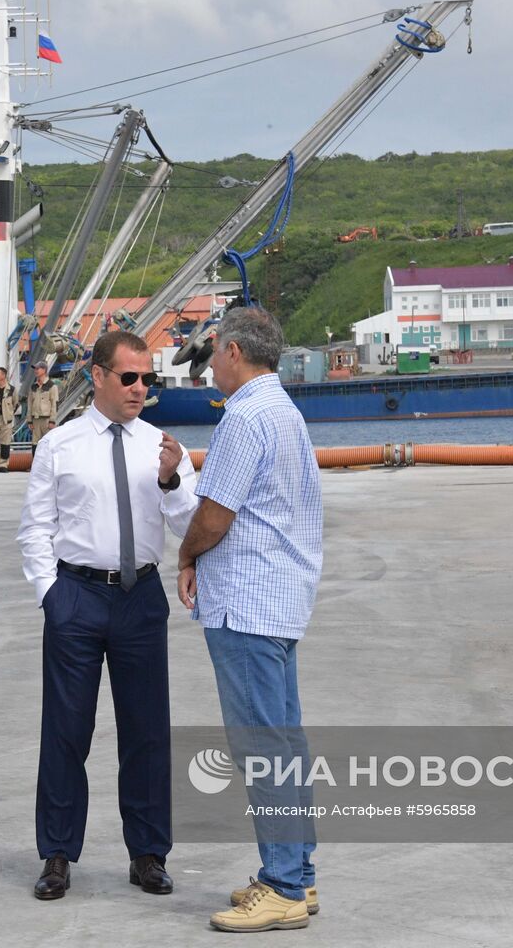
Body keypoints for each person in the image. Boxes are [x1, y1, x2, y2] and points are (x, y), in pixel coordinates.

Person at [17, 330, 197, 902]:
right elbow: (36, 529)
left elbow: (186, 526)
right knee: (67, 731)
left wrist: (170, 480)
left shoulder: (162, 447)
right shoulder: (60, 445)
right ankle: (57, 854)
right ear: (97, 376)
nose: (140, 388)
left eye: (149, 379)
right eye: (129, 377)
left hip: (140, 598)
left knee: (146, 732)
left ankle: (148, 854)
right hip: (78, 596)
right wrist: (53, 595)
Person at [176, 307, 323, 934]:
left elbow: (215, 514)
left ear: (233, 351)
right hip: (282, 600)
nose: (210, 365)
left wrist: (185, 555)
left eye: (213, 353)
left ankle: (285, 885)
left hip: (246, 603)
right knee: (283, 741)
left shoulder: (244, 418)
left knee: (261, 747)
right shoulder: (284, 412)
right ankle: (297, 876)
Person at [26, 361, 60, 441]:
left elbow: (55, 404)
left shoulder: (52, 386)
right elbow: (30, 404)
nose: (36, 370)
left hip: (47, 421)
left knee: (47, 443)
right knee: (35, 444)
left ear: (44, 370)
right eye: (35, 369)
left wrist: (52, 421)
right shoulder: (33, 387)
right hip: (35, 421)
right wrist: (29, 421)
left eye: (38, 368)